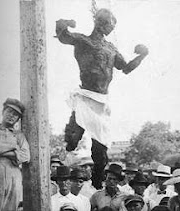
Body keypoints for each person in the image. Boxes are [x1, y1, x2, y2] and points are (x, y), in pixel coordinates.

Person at [55, 8, 149, 189]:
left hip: (102, 102)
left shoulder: (111, 48)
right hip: (85, 98)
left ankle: (97, 185)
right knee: (72, 140)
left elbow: (127, 68)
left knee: (101, 153)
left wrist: (142, 55)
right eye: (109, 24)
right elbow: (63, 36)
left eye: (113, 26)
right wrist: (64, 23)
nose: (110, 29)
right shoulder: (83, 41)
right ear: (99, 22)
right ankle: (60, 169)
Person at [0, 98, 30, 211]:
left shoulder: (19, 135)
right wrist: (14, 148)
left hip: (13, 176)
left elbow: (26, 156)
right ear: (3, 112)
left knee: (10, 207)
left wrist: (1, 150)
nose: (12, 116)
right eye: (9, 112)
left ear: (18, 119)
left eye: (15, 115)